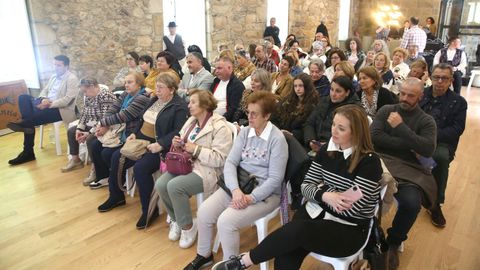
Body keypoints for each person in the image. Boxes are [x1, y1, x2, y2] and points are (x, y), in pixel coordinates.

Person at [211, 104, 383, 270]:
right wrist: (327, 196)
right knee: (285, 251)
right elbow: (305, 187)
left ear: (357, 133)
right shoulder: (327, 151)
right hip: (316, 213)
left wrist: (320, 192)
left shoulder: (369, 162)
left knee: (296, 231)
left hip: (348, 228)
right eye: (333, 124)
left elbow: (353, 209)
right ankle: (242, 262)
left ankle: (244, 262)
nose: (333, 131)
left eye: (341, 128)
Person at [183, 91, 288, 269]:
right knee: (204, 213)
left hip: (264, 195)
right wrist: (235, 190)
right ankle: (204, 255)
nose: (249, 117)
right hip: (239, 186)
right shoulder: (245, 132)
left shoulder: (277, 140)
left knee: (226, 222)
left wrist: (250, 198)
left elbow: (275, 180)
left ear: (267, 115)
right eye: (248, 112)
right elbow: (230, 162)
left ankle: (231, 264)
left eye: (254, 114)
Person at [97, 73, 188, 229]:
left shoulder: (178, 106)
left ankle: (149, 210)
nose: (157, 91)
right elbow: (142, 119)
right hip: (140, 141)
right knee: (116, 156)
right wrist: (134, 133)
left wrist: (160, 144)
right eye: (156, 87)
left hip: (159, 147)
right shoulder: (154, 100)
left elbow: (178, 131)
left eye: (161, 88)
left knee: (140, 168)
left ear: (172, 89)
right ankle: (116, 196)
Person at [370, 78, 437, 270]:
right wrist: (410, 144)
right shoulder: (386, 110)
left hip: (409, 168)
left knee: (411, 203)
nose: (405, 99)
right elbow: (374, 136)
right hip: (380, 160)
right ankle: (365, 232)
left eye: (411, 95)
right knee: (361, 191)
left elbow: (427, 149)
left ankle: (393, 241)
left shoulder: (426, 121)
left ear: (420, 97)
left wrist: (400, 128)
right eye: (403, 93)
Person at [156, 90, 233, 249]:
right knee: (161, 184)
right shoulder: (191, 121)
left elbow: (220, 159)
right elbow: (184, 143)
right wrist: (178, 142)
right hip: (187, 165)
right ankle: (177, 219)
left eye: (193, 102)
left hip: (208, 171)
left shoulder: (220, 127)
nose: (188, 105)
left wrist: (196, 150)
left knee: (175, 186)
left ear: (204, 105)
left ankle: (188, 228)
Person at [8, 55, 79, 165]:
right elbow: (45, 90)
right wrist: (43, 99)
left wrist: (49, 104)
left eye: (58, 65)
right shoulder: (54, 76)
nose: (55, 67)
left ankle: (27, 151)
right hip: (45, 104)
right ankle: (26, 123)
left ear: (66, 66)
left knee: (29, 120)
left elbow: (68, 100)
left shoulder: (72, 79)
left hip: (60, 110)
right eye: (54, 64)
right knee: (23, 97)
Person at [419, 63, 467, 227]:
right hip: (416, 137)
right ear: (431, 78)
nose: (439, 81)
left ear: (451, 80)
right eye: (436, 77)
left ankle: (435, 204)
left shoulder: (458, 102)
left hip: (441, 142)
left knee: (439, 157)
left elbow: (457, 129)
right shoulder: (420, 94)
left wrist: (430, 136)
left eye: (444, 78)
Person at [88, 72, 150, 189]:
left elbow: (124, 115)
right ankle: (104, 177)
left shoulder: (143, 98)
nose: (126, 85)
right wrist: (104, 125)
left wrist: (102, 123)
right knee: (94, 144)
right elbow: (113, 109)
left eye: (130, 82)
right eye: (125, 82)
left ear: (139, 84)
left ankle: (118, 179)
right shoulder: (126, 94)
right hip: (119, 131)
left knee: (107, 153)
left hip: (131, 134)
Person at [61, 78, 116, 177]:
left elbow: (104, 119)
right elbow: (84, 114)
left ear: (92, 87)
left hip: (105, 126)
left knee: (90, 139)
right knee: (72, 131)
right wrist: (79, 128)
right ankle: (76, 160)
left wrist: (89, 133)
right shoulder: (90, 95)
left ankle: (95, 169)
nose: (85, 94)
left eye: (85, 91)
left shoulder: (106, 96)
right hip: (93, 124)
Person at [303, 76, 360, 152]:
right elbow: (309, 123)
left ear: (347, 93)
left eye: (338, 91)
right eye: (331, 89)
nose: (333, 94)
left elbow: (349, 136)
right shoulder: (324, 101)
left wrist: (327, 145)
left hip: (337, 149)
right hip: (314, 144)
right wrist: (311, 140)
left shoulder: (353, 110)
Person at [273, 73, 319, 143]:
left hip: (296, 140)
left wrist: (293, 134)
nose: (297, 89)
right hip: (280, 135)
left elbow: (308, 128)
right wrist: (277, 130)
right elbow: (275, 115)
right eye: (295, 86)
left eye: (301, 86)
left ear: (307, 86)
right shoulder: (288, 100)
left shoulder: (313, 105)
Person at [210, 57, 245, 122]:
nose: (216, 71)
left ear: (229, 68)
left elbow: (233, 110)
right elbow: (207, 100)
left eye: (219, 68)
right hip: (210, 119)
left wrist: (219, 121)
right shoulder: (216, 82)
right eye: (216, 68)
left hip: (224, 122)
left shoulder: (237, 85)